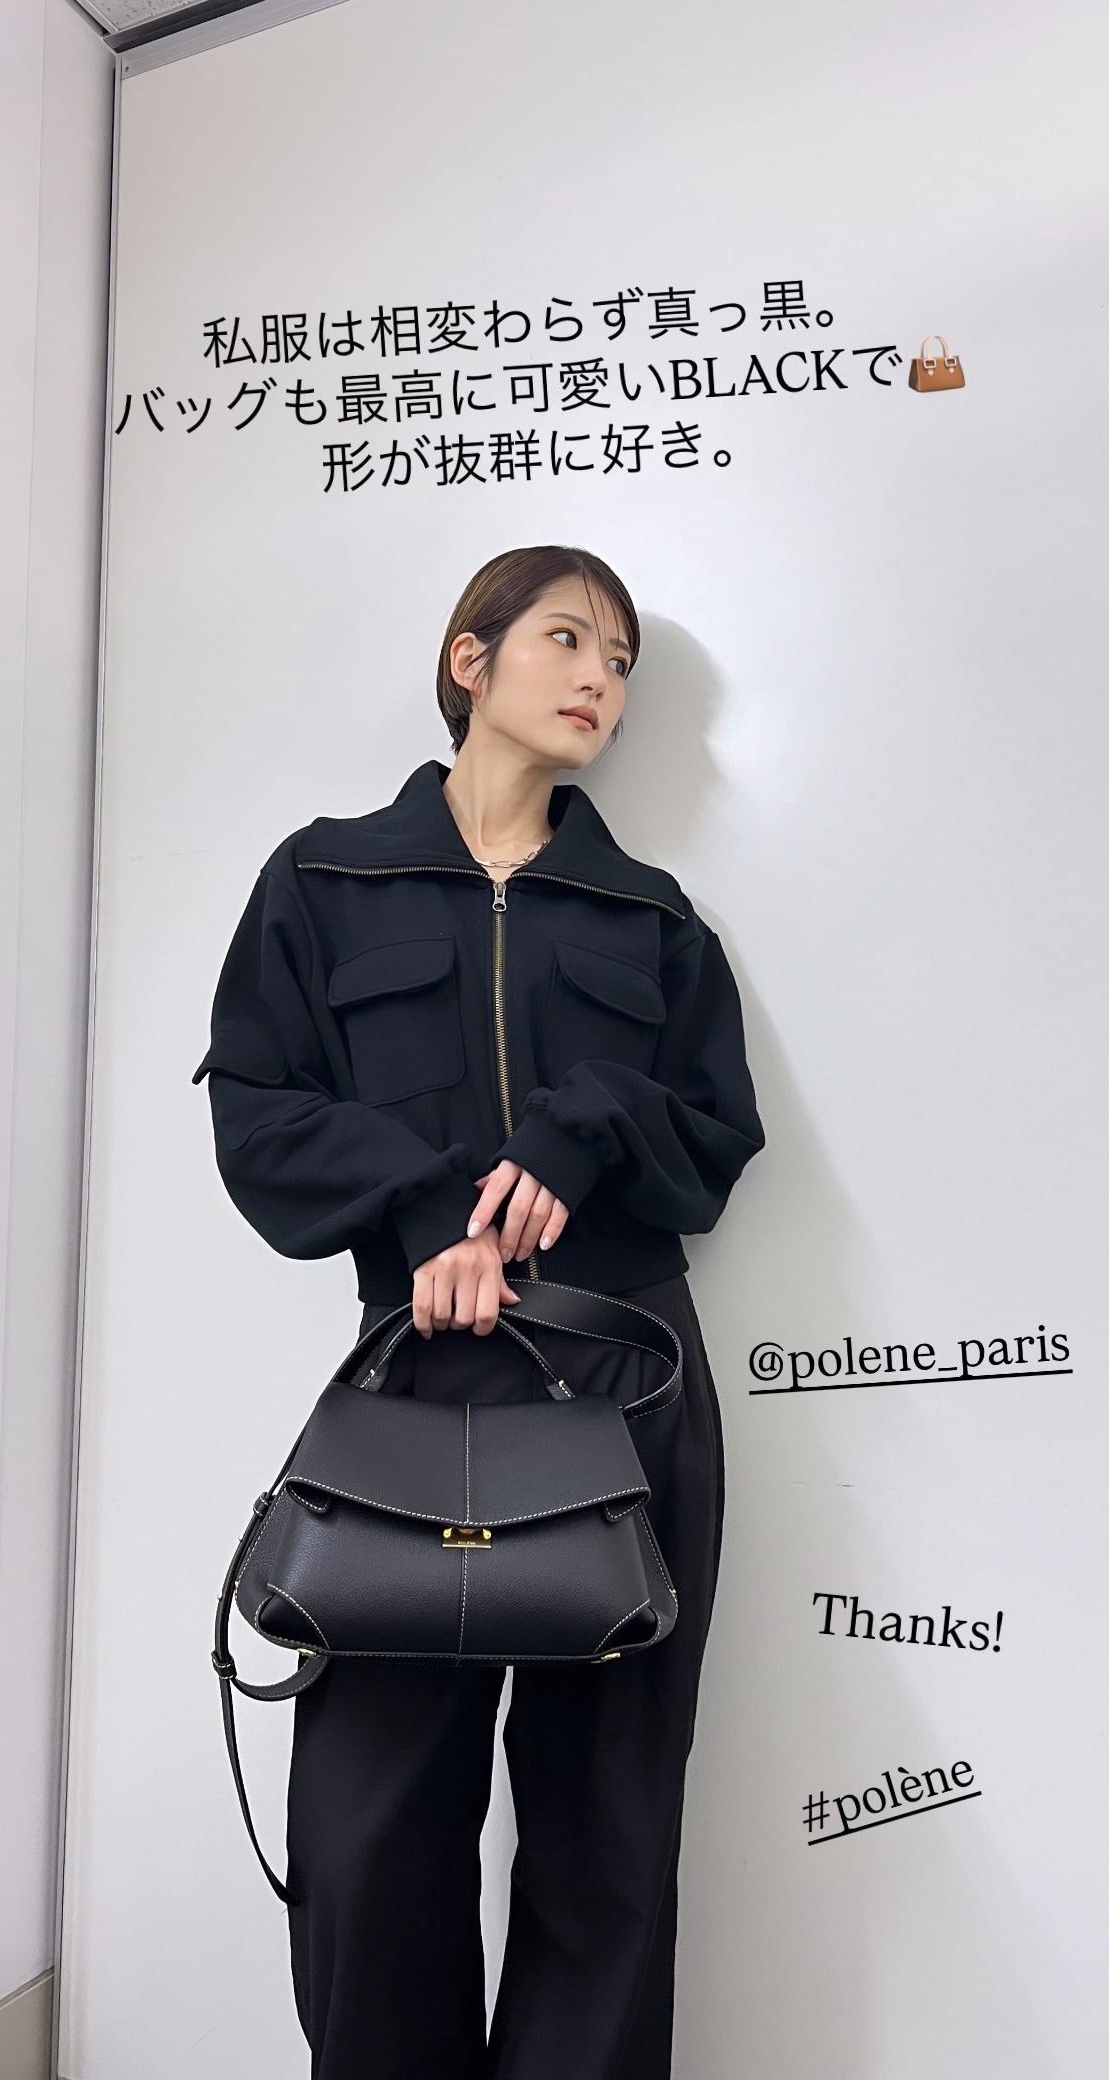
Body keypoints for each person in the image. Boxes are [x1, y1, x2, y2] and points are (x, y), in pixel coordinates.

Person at [192, 543, 765, 2079]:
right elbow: (257, 1112)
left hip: (626, 1383)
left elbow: (714, 1142)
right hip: (420, 1380)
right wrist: (428, 1212)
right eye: (567, 639)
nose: (599, 680)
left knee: (606, 1823)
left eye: (621, 662)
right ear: (472, 659)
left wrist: (585, 1126)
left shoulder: (651, 917)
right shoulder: (325, 879)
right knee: (369, 1824)